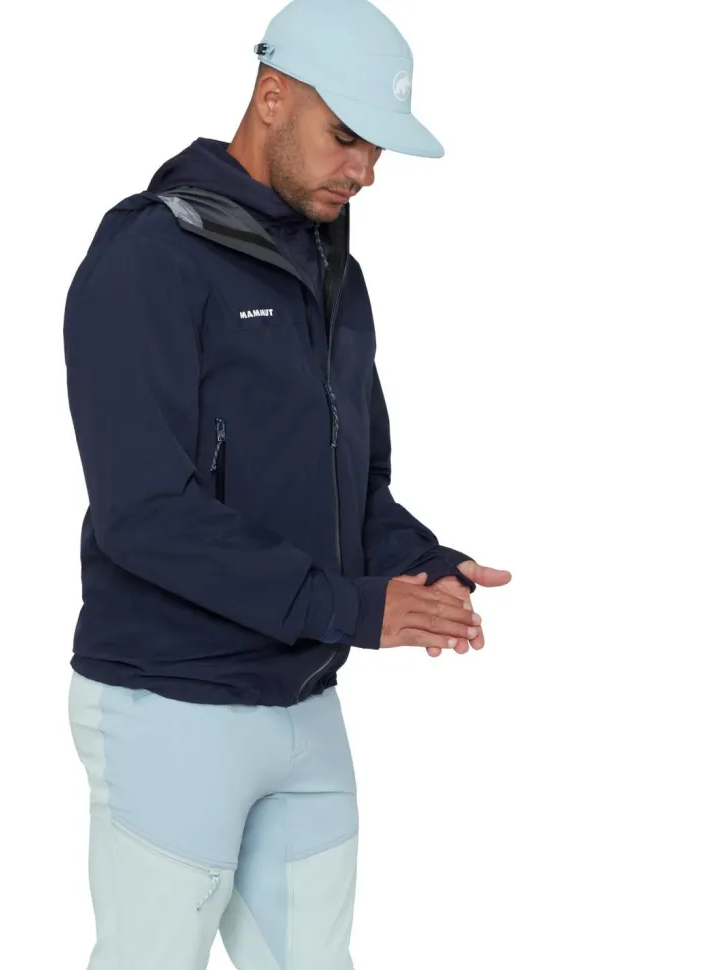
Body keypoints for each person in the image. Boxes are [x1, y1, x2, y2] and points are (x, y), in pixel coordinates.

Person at [63, 1, 511, 966]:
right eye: (345, 136)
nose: (365, 170)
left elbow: (356, 486)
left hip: (305, 699)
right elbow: (145, 513)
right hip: (169, 705)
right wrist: (353, 607)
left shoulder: (328, 265)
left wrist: (422, 564)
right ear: (271, 97)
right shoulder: (146, 256)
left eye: (377, 148)